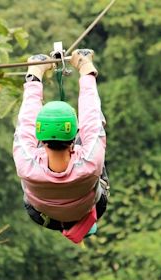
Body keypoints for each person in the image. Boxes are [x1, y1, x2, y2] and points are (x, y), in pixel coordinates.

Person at [13, 49, 109, 243]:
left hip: (43, 216)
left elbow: (27, 121)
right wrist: (85, 69)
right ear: (73, 136)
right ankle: (81, 220)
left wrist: (35, 73)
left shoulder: (26, 163)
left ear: (41, 135)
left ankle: (73, 221)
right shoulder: (90, 162)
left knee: (28, 136)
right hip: (92, 205)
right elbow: (92, 119)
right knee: (93, 138)